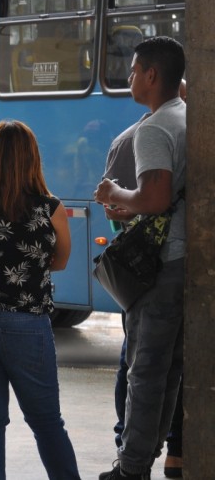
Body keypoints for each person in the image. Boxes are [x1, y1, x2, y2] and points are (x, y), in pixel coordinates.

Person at [0, 119, 80, 480]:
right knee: (46, 421)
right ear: (32, 160)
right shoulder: (49, 208)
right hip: (25, 324)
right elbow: (61, 261)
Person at [94, 36, 186, 480]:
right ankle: (143, 460)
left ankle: (131, 468)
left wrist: (115, 192)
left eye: (132, 70)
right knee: (168, 370)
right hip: (186, 259)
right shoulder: (187, 116)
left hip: (164, 263)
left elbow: (155, 195)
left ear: (152, 75)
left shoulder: (152, 128)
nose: (129, 77)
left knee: (145, 371)